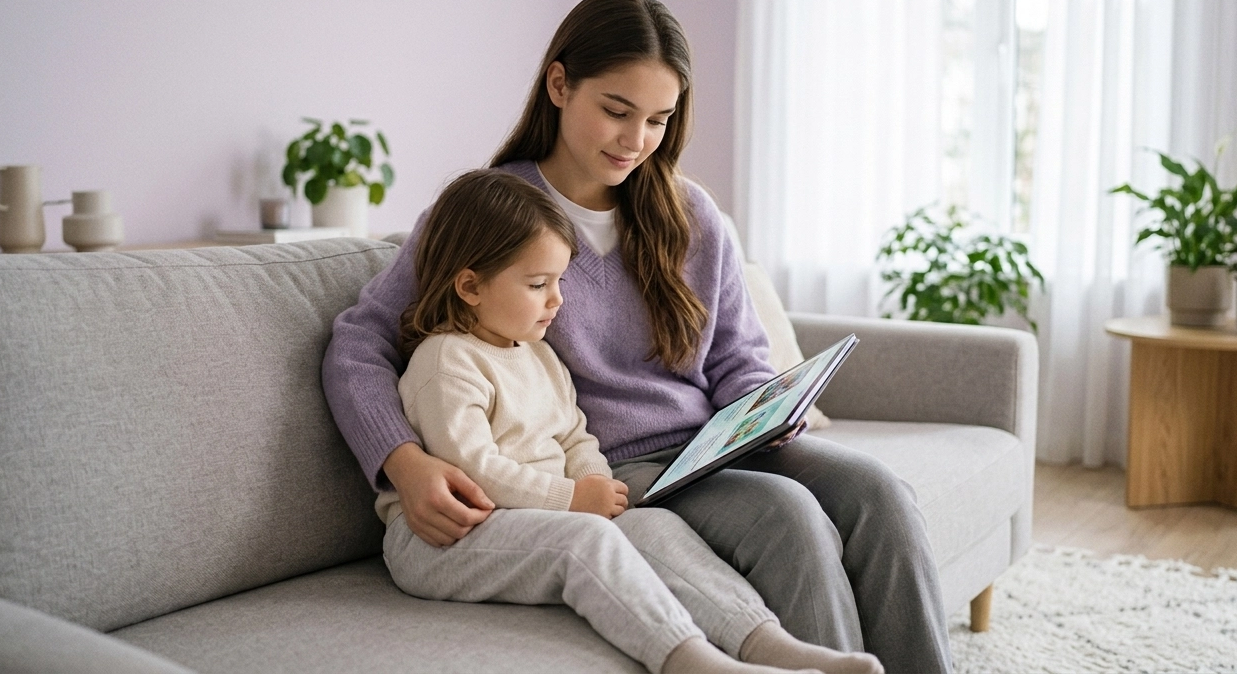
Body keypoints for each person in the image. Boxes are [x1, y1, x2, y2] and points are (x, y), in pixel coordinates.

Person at [323, 0, 953, 674]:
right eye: (617, 112)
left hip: (713, 446)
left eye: (658, 120)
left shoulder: (689, 212)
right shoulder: (490, 213)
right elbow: (360, 344)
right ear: (559, 85)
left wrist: (767, 408)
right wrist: (404, 463)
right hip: (615, 468)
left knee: (879, 493)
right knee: (787, 517)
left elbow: (737, 356)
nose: (636, 141)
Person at [377, 167, 882, 674]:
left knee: (652, 526)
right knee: (589, 540)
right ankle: (692, 659)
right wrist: (571, 499)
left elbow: (575, 434)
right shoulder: (446, 361)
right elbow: (474, 469)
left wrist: (594, 480)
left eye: (559, 281)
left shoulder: (538, 355)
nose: (557, 300)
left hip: (531, 514)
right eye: (538, 284)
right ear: (470, 286)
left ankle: (765, 642)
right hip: (444, 537)